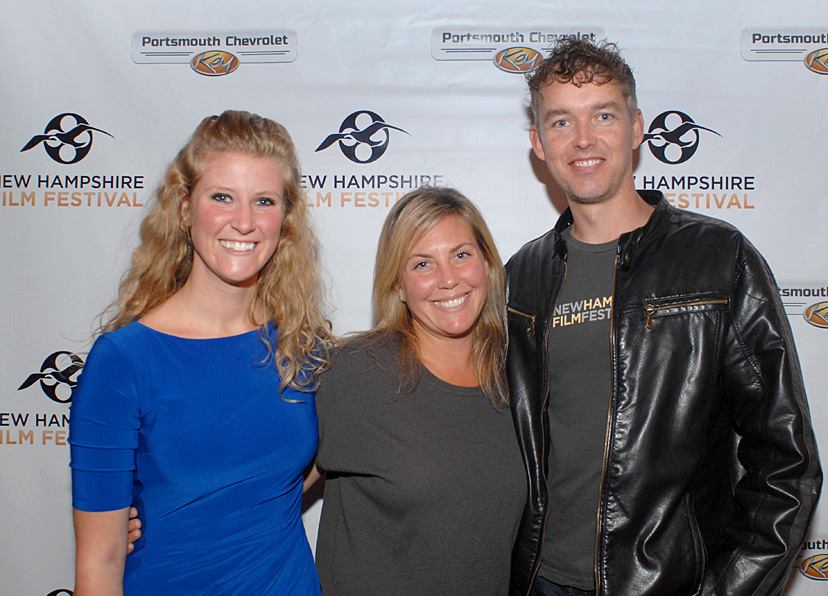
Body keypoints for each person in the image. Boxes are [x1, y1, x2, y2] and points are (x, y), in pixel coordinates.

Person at [505, 37, 822, 595]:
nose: (583, 139)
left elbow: (786, 462)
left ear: (636, 128)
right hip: (541, 582)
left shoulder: (718, 260)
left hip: (667, 584)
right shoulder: (523, 275)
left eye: (603, 115)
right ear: (537, 142)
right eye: (560, 122)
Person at [69, 110, 331, 595]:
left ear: (285, 219)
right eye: (222, 197)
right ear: (185, 207)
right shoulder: (124, 361)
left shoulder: (304, 347)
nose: (245, 222)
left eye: (265, 201)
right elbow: (99, 565)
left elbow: (314, 460)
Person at [313, 187, 527, 595]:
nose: (448, 279)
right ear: (397, 284)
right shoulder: (357, 374)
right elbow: (265, 492)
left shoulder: (520, 376)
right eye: (423, 264)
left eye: (461, 255)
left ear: (487, 263)